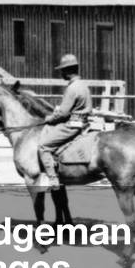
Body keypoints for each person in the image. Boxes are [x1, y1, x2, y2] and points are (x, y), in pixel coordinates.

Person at [37, 54, 93, 190]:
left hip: (72, 125)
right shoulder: (83, 86)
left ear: (68, 71)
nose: (61, 73)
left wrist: (49, 119)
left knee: (43, 146)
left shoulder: (72, 88)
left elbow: (63, 113)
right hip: (84, 122)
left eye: (62, 70)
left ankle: (53, 180)